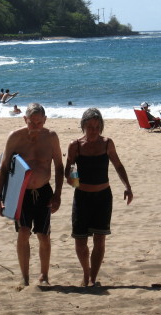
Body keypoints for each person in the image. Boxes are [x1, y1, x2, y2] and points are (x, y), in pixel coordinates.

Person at [0, 103, 64, 287]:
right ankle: (25, 277)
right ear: (25, 120)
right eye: (31, 123)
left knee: (43, 235)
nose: (35, 127)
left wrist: (57, 194)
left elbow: (58, 166)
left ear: (45, 120)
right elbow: (3, 168)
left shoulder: (51, 137)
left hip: (43, 192)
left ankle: (44, 275)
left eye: (39, 123)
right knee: (23, 232)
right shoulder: (15, 138)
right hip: (21, 193)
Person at [65, 108, 133, 287]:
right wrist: (72, 177)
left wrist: (127, 186)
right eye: (89, 127)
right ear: (83, 126)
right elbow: (68, 169)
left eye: (97, 126)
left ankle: (93, 278)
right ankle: (86, 274)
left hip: (103, 197)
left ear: (101, 126)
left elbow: (118, 165)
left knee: (99, 239)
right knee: (80, 240)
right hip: (82, 197)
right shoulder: (75, 145)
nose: (93, 130)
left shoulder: (107, 143)